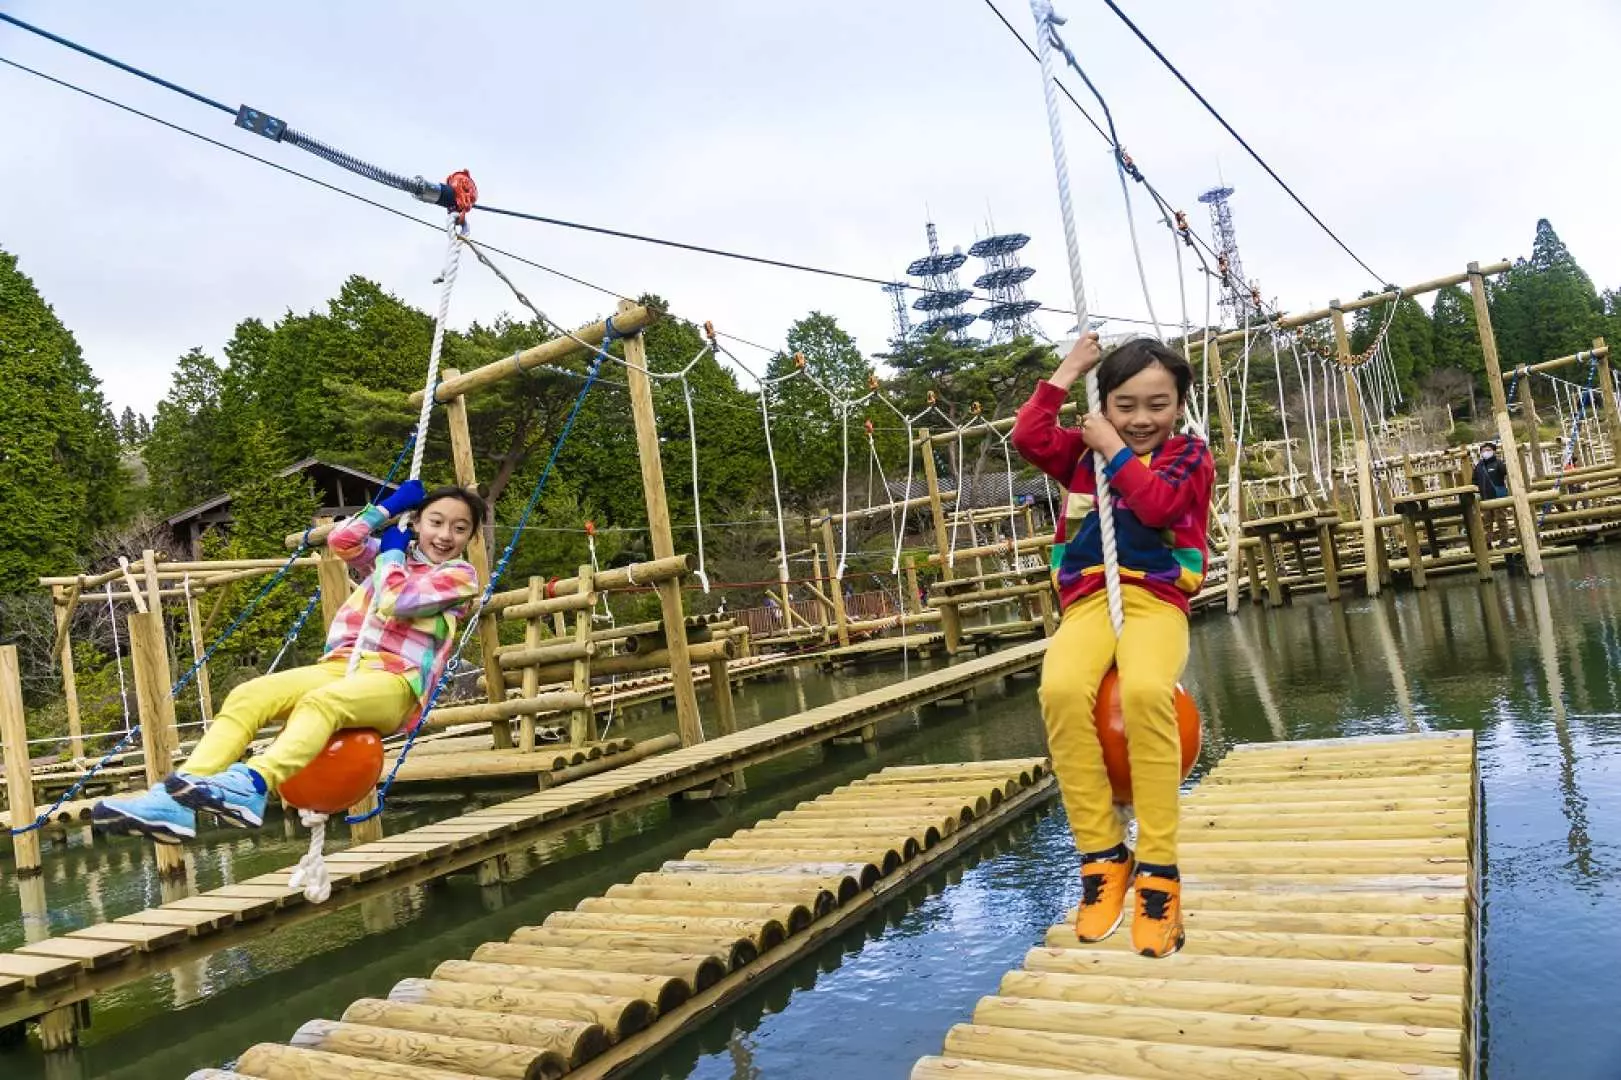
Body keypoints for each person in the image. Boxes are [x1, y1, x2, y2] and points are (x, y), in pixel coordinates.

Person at [92, 481, 484, 843]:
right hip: (344, 663)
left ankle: (254, 784)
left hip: (400, 681)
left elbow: (395, 600)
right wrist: (389, 508)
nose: (446, 535)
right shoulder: (391, 555)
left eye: (460, 528)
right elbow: (343, 540)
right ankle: (173, 803)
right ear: (417, 522)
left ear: (469, 537)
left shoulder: (460, 576)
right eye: (436, 522)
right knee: (250, 694)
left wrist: (394, 551)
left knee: (322, 703)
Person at [1011, 332, 1214, 958]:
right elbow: (1026, 436)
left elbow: (1156, 507)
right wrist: (1071, 368)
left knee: (1150, 689)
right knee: (1062, 689)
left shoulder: (1189, 457)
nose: (1141, 419)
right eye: (1125, 405)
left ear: (1179, 404)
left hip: (1154, 597)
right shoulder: (1081, 456)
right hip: (1088, 598)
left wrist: (1112, 447)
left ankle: (1159, 868)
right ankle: (1103, 855)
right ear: (1106, 403)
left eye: (1157, 404)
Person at [1471, 442, 1511, 547]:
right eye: (1483, 451)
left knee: (1501, 519)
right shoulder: (1479, 466)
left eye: (1488, 450)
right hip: (1485, 498)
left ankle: (1505, 541)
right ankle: (1487, 542)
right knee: (1486, 522)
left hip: (1498, 497)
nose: (1486, 452)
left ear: (1493, 451)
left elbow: (1507, 472)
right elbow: (1474, 481)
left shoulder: (1498, 463)